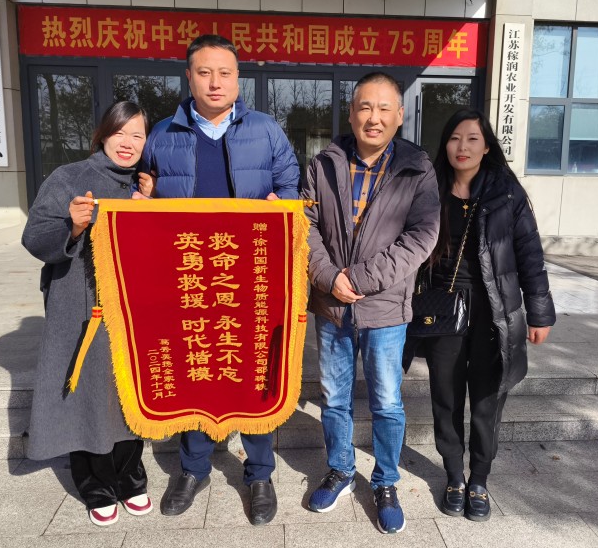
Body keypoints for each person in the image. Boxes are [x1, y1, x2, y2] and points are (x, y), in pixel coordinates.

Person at [137, 34, 299, 526]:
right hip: (188, 278)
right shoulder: (162, 134)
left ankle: (260, 472)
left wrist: (283, 204)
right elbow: (141, 194)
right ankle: (193, 469)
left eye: (224, 73)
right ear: (189, 77)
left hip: (249, 279)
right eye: (204, 72)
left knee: (254, 372)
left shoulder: (266, 130)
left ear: (237, 79)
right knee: (196, 369)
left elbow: (291, 185)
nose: (215, 82)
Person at [301, 71, 440, 534]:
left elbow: (421, 237)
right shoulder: (324, 164)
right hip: (331, 307)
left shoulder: (417, 168)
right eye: (365, 107)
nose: (373, 118)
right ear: (351, 113)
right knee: (334, 398)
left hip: (385, 309)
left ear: (399, 116)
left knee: (387, 402)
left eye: (384, 108)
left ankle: (385, 481)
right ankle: (341, 470)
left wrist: (356, 279)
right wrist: (328, 277)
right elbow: (305, 226)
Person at [416, 108, 555, 522]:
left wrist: (540, 313)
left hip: (495, 312)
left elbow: (530, 255)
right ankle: (453, 476)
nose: (462, 147)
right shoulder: (429, 189)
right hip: (445, 310)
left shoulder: (507, 194)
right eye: (454, 138)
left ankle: (479, 479)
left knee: (487, 400)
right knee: (445, 397)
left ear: (487, 147)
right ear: (445, 145)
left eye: (472, 139)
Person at [22, 101, 153, 527]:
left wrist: (150, 208)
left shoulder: (145, 185)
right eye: (120, 133)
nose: (128, 143)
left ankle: (131, 476)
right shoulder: (69, 177)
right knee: (88, 395)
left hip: (131, 309)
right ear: (103, 135)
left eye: (138, 135)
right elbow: (34, 237)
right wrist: (73, 226)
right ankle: (96, 485)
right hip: (79, 306)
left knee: (128, 391)